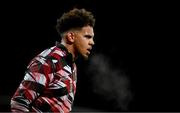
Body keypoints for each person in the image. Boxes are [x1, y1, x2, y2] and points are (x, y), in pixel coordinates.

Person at [10, 8, 95, 112]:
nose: (92, 42)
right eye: (87, 37)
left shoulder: (71, 64)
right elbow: (19, 102)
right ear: (71, 36)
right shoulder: (49, 61)